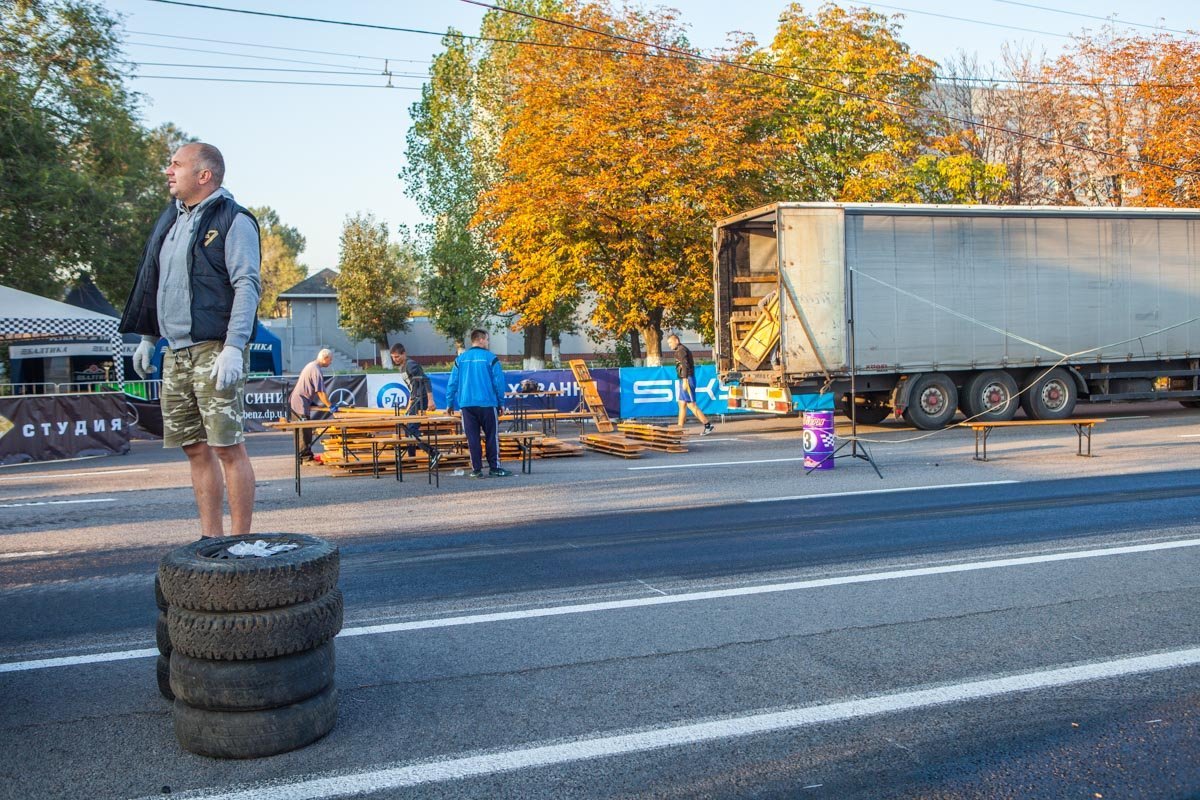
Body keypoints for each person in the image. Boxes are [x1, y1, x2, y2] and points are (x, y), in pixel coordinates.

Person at [119, 142, 261, 538]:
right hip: (176, 352)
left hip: (215, 349)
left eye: (176, 164)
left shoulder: (234, 219)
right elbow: (157, 284)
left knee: (227, 447)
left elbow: (247, 284)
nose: (168, 170)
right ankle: (210, 538)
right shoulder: (171, 220)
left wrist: (235, 346)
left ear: (204, 175)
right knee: (195, 448)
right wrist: (149, 338)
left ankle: (240, 540)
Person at [445, 329, 512, 478]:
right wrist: (501, 403)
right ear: (481, 340)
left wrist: (449, 403)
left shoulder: (460, 359)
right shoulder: (491, 358)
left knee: (472, 438)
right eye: (487, 339)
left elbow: (452, 383)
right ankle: (494, 468)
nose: (488, 342)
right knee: (491, 436)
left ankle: (477, 470)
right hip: (487, 404)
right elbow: (498, 382)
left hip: (467, 405)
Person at [390, 343, 440, 466]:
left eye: (397, 356)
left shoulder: (411, 365)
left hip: (421, 399)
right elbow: (412, 388)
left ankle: (433, 453)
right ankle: (411, 459)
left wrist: (430, 400)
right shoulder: (402, 367)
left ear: (404, 354)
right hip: (415, 399)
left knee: (411, 429)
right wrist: (409, 405)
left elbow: (426, 380)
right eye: (393, 357)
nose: (395, 359)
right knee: (407, 428)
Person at [289, 349, 333, 462]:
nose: (331, 362)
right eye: (330, 359)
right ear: (325, 358)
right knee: (304, 431)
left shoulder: (311, 365)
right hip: (300, 402)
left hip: (300, 400)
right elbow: (321, 392)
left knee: (304, 429)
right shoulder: (316, 370)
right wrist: (330, 405)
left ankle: (303, 456)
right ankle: (305, 457)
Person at [666, 333, 714, 435]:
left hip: (687, 379)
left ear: (677, 341)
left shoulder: (681, 350)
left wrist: (684, 380)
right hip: (685, 379)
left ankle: (707, 425)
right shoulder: (680, 350)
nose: (669, 345)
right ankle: (679, 428)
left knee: (691, 405)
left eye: (670, 342)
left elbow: (684, 365)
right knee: (682, 403)